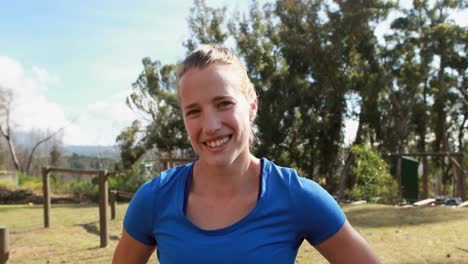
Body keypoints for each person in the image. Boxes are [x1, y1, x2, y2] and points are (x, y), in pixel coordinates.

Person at [113, 45, 380, 264]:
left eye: (224, 103)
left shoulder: (297, 196)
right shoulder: (154, 199)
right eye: (194, 111)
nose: (211, 125)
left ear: (251, 107)